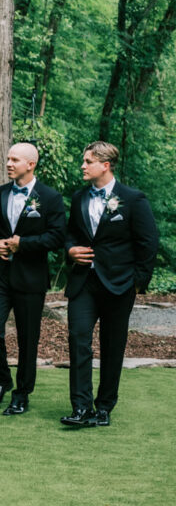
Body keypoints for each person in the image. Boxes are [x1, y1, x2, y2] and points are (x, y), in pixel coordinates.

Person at [61, 141, 159, 427]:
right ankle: (80, 407)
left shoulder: (133, 199)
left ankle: (104, 408)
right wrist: (70, 250)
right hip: (83, 283)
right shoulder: (79, 198)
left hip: (119, 285)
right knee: (78, 340)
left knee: (112, 345)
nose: (82, 165)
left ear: (105, 165)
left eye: (88, 161)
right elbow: (71, 234)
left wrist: (138, 284)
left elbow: (147, 243)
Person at [0, 142, 65, 415]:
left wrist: (23, 244)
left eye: (14, 159)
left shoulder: (50, 198)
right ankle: (2, 380)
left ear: (31, 164)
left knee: (28, 339)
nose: (8, 163)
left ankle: (22, 393)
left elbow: (56, 237)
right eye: (7, 158)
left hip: (30, 277)